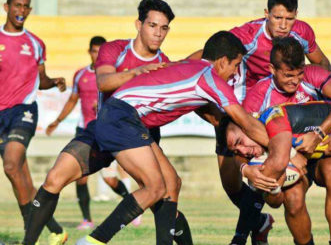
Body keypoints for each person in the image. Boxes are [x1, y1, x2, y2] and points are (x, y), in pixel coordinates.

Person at [75, 30, 273, 245]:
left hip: (126, 117)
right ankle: (93, 241)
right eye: (235, 66)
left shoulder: (189, 66)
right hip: (122, 116)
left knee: (171, 184)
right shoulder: (210, 77)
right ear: (223, 61)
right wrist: (283, 147)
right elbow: (246, 121)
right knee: (155, 188)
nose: (235, 73)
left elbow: (215, 114)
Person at [23, 0, 193, 245]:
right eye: (152, 25)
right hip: (103, 129)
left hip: (139, 137)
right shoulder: (114, 49)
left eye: (164, 28)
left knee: (166, 193)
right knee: (53, 179)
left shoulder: (164, 63)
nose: (158, 33)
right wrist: (136, 73)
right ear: (139, 24)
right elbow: (104, 82)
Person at [188, 0, 331, 244]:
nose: (284, 25)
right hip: (240, 109)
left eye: (289, 18)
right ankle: (260, 222)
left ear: (296, 15)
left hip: (273, 114)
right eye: (277, 18)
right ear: (266, 13)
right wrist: (179, 67)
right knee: (231, 184)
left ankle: (239, 238)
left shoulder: (303, 32)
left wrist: (327, 90)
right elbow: (210, 51)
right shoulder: (247, 35)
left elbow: (321, 62)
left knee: (260, 174)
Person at [225, 101, 331, 233]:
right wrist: (274, 188)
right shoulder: (258, 163)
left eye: (240, 142)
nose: (243, 151)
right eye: (237, 150)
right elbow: (274, 203)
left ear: (249, 128)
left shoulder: (276, 117)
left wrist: (293, 150)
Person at [45, 36, 132, 230]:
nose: (97, 55)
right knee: (80, 177)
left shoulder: (114, 74)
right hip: (85, 130)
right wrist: (57, 121)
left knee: (110, 179)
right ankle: (87, 219)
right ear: (89, 51)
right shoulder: (80, 75)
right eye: (94, 51)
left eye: (101, 51)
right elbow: (72, 99)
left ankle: (133, 207)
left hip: (107, 131)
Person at [0, 0, 67, 244]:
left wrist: (55, 81)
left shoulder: (35, 43)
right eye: (17, 5)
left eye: (26, 6)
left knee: (10, 165)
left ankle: (31, 234)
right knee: (19, 174)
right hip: (0, 115)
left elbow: (41, 80)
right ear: (7, 8)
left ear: (29, 10)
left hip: (24, 111)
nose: (21, 10)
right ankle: (53, 229)